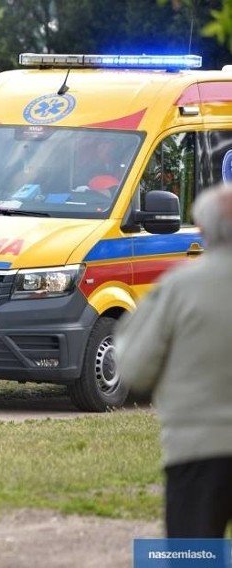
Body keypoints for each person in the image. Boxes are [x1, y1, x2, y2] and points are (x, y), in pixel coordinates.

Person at [115, 184, 232, 539]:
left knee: (193, 558)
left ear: (203, 230)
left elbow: (134, 368)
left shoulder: (178, 288)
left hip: (195, 452)